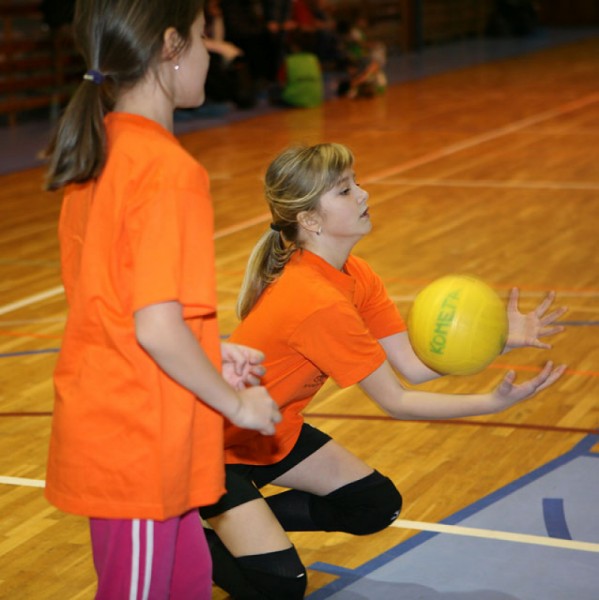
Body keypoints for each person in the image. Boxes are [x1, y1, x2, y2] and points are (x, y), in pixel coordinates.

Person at [199, 142, 568, 599]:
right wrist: (492, 402)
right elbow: (398, 401)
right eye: (344, 190)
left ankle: (238, 527)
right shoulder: (315, 300)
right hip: (206, 449)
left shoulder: (354, 274)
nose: (363, 193)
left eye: (355, 183)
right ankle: (192, 537)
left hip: (270, 431)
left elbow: (412, 366)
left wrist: (494, 338)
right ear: (310, 220)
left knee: (374, 505)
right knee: (283, 586)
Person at [43, 1, 281, 598]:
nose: (208, 55)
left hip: (135, 423)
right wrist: (237, 404)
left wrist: (208, 351)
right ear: (172, 46)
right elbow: (154, 327)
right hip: (140, 440)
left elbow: (112, 306)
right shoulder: (166, 169)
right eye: (201, 37)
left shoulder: (99, 154)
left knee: (189, 582)